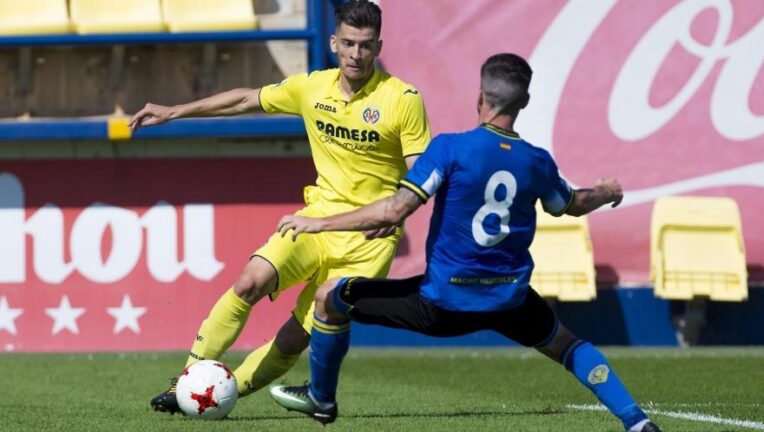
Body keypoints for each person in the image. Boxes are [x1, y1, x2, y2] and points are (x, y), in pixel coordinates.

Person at [268, 53, 662, 432]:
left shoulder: (450, 149)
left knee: (330, 296)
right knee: (567, 345)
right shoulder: (536, 162)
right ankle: (636, 420)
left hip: (441, 305)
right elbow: (573, 204)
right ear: (524, 101)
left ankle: (322, 398)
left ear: (480, 96)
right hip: (509, 301)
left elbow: (395, 210)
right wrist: (607, 191)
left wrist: (318, 223)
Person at [129, 0, 431, 413]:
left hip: (367, 242)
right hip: (314, 222)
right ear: (333, 42)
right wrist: (175, 112)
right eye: (347, 44)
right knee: (250, 281)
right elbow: (243, 100)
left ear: (378, 46)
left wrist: (400, 211)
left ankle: (221, 394)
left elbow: (422, 174)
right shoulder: (312, 88)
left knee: (295, 337)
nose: (355, 55)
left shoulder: (402, 100)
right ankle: (188, 382)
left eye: (364, 46)